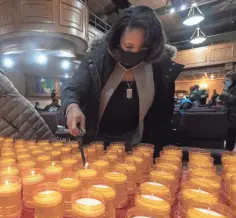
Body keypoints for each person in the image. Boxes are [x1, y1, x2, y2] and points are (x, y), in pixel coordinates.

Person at [61, 6, 184, 154]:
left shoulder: (162, 69)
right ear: (118, 38)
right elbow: (73, 89)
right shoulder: (97, 59)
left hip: (138, 146)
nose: (135, 54)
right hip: (95, 144)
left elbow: (163, 120)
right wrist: (72, 107)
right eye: (129, 46)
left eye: (143, 48)